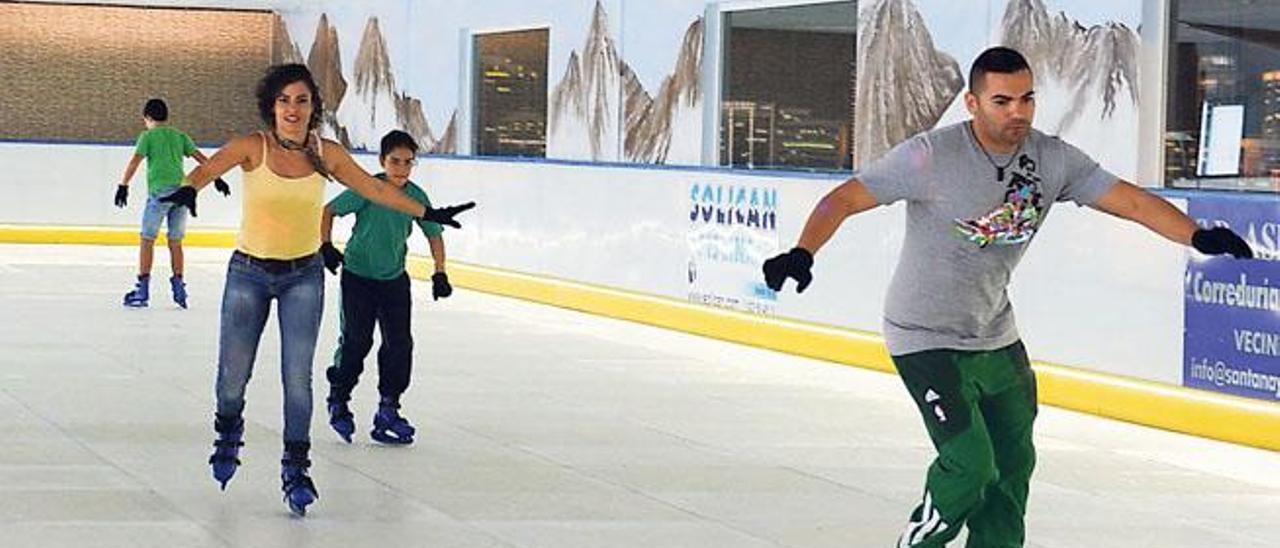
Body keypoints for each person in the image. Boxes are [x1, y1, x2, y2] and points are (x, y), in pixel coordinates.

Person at [762, 46, 1252, 547]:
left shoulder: (1051, 158)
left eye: (1026, 99)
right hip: (925, 337)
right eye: (1002, 101)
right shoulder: (930, 155)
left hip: (996, 336)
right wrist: (804, 252)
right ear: (972, 104)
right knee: (970, 465)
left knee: (1013, 469)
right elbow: (842, 198)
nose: (1017, 111)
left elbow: (1128, 200)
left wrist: (1195, 235)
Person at [159, 63, 474, 516]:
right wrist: (189, 188)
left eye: (302, 100)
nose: (293, 108)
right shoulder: (254, 146)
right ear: (272, 105)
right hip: (248, 273)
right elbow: (211, 168)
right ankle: (229, 431)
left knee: (297, 379)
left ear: (313, 107)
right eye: (285, 99)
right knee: (233, 377)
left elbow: (376, 190)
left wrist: (428, 211)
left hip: (302, 276)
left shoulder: (327, 154)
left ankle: (296, 468)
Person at [318, 129, 451, 446]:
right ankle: (339, 395)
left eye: (408, 162)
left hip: (393, 279)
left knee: (399, 344)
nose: (401, 169)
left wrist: (440, 272)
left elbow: (433, 232)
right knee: (356, 341)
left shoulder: (416, 196)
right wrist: (325, 245)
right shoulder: (367, 188)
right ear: (382, 161)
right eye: (395, 161)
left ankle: (388, 408)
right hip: (358, 276)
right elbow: (328, 211)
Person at [113, 98, 229, 308]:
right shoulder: (179, 136)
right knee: (175, 241)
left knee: (147, 239)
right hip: (182, 193)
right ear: (166, 117)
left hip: (160, 194)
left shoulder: (147, 137)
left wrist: (123, 185)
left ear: (147, 118)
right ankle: (179, 288)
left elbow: (134, 162)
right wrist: (217, 178)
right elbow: (202, 159)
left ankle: (142, 289)